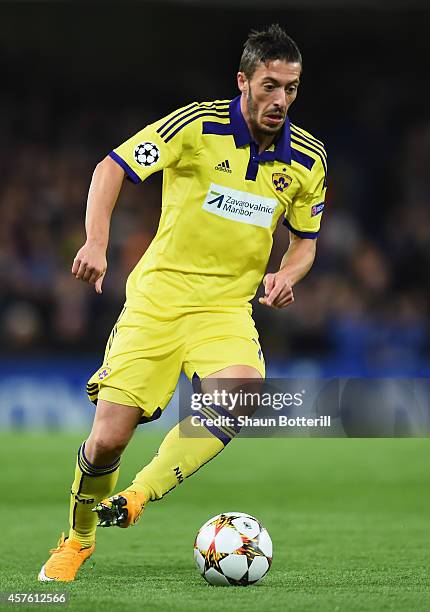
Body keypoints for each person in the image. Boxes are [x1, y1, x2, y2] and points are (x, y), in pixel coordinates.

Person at [38, 23, 327, 582]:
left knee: (240, 394)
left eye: (291, 88)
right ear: (243, 80)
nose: (280, 100)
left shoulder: (308, 159)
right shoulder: (197, 125)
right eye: (269, 86)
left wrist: (288, 274)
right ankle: (77, 538)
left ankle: (140, 496)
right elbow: (110, 168)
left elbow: (305, 244)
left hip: (225, 308)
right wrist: (96, 242)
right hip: (158, 301)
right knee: (107, 440)